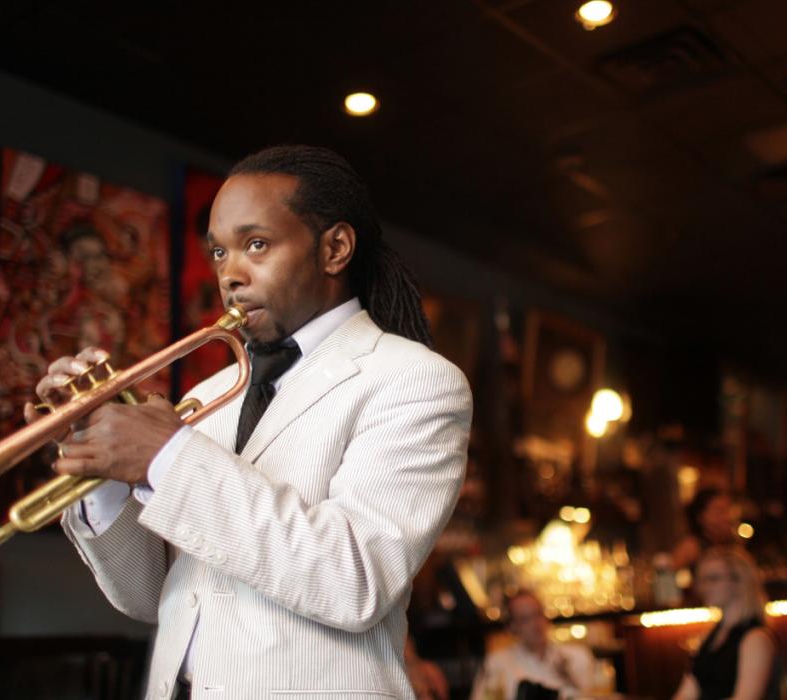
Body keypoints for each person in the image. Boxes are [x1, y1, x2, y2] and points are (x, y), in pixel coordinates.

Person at [31, 145, 473, 698]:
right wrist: (102, 472)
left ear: (334, 248)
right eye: (218, 252)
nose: (230, 275)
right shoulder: (208, 393)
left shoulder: (416, 381)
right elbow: (148, 595)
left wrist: (168, 457)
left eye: (256, 244)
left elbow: (356, 579)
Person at [672, 547, 779, 700]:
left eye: (713, 578)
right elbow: (686, 694)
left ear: (739, 582)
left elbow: (747, 697)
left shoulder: (756, 638)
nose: (704, 587)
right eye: (702, 579)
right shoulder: (709, 636)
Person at [469, 590, 599, 700]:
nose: (535, 624)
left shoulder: (578, 656)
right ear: (511, 627)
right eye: (525, 619)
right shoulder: (497, 663)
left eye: (538, 615)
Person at [671, 488, 740, 582]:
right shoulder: (692, 545)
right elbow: (666, 576)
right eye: (719, 511)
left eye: (728, 511)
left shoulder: (731, 545)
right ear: (700, 516)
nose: (726, 518)